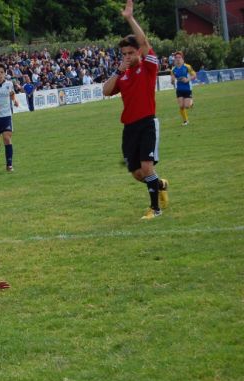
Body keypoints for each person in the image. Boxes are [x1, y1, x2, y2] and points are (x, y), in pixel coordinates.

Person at [102, 0, 169, 220]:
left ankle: (155, 209)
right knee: (138, 173)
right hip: (129, 127)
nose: (128, 56)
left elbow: (144, 40)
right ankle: (161, 185)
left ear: (139, 51)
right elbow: (105, 90)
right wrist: (118, 71)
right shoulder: (123, 74)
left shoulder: (148, 66)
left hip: (148, 123)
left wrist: (130, 18)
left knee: (147, 168)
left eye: (131, 52)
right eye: (124, 54)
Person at [170, 51, 196, 126]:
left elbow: (194, 75)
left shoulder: (187, 67)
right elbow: (172, 81)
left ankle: (191, 103)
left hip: (188, 89)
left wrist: (187, 79)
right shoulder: (173, 70)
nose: (178, 59)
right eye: (176, 58)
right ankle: (185, 121)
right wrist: (172, 80)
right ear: (174, 60)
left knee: (187, 106)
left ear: (182, 59)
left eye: (179, 57)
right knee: (181, 106)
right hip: (179, 90)